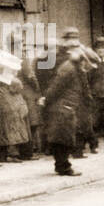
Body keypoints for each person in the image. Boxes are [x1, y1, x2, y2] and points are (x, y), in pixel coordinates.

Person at [41, 44, 87, 177]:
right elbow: (56, 87)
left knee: (63, 138)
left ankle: (61, 166)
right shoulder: (68, 68)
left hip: (66, 106)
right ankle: (64, 167)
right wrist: (46, 99)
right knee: (63, 139)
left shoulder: (72, 67)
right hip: (63, 108)